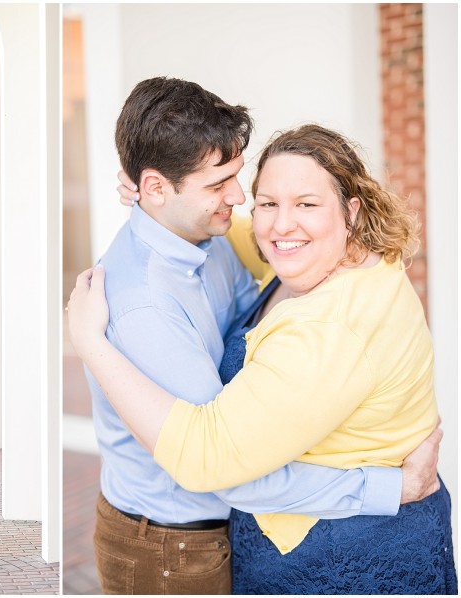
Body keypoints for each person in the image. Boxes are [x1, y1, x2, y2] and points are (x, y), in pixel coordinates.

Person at [72, 76, 441, 595]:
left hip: (335, 550)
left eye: (307, 204)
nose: (242, 201)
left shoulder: (215, 235)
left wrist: (154, 197)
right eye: (260, 200)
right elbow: (215, 464)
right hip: (169, 544)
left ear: (351, 211)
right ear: (155, 187)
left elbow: (270, 238)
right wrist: (388, 487)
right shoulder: (146, 301)